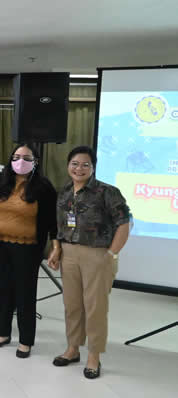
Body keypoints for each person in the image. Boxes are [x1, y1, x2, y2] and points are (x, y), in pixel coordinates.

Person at [48, 146, 130, 379]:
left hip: (98, 254)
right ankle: (73, 348)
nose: (79, 168)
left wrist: (111, 254)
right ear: (68, 166)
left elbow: (124, 224)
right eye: (74, 163)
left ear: (93, 167)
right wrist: (56, 249)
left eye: (85, 164)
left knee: (95, 307)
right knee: (72, 305)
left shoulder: (107, 192)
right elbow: (60, 225)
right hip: (69, 253)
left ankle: (94, 356)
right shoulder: (63, 192)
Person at [0, 143, 59, 358]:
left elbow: (52, 221)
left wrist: (55, 246)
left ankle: (25, 340)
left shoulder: (43, 187)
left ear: (35, 162)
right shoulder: (1, 181)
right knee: (3, 289)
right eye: (16, 157)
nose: (20, 162)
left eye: (26, 158)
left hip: (28, 248)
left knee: (25, 293)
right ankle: (3, 333)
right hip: (1, 245)